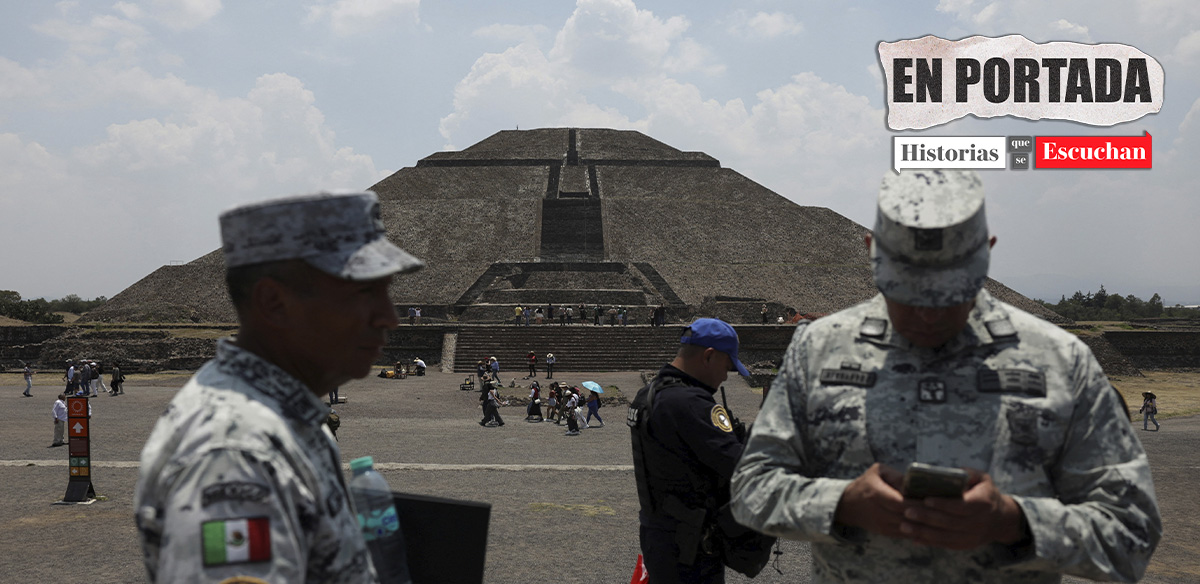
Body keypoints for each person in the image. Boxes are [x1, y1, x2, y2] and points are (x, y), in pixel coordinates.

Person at [730, 170, 1162, 583]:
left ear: (986, 252)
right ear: (870, 249)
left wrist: (1017, 522)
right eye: (905, 287)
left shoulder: (1062, 361)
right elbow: (751, 490)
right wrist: (841, 504)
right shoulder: (817, 350)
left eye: (950, 291)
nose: (926, 312)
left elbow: (1132, 534)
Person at [134, 191, 424, 583]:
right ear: (274, 302)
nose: (389, 317)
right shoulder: (236, 457)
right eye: (364, 292)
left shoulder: (283, 417)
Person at [628, 317, 751, 583]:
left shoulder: (649, 394)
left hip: (660, 535)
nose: (724, 377)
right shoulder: (689, 404)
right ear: (709, 356)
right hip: (689, 547)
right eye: (727, 367)